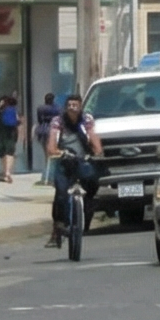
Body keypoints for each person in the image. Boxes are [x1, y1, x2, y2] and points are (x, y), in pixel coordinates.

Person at [43, 94, 103, 247]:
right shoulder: (58, 121)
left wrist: (97, 151)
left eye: (75, 105)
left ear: (81, 106)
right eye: (69, 105)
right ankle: (58, 226)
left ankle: (86, 212)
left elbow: (93, 136)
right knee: (61, 193)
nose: (72, 108)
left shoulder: (86, 119)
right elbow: (51, 144)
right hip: (65, 160)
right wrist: (57, 152)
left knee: (92, 181)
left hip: (82, 160)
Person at [0, 94, 22, 183]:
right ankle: (8, 172)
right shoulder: (13, 110)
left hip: (1, 136)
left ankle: (5, 172)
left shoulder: (0, 111)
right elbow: (17, 121)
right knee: (10, 153)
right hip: (11, 134)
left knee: (3, 153)